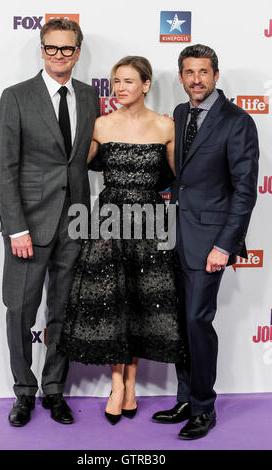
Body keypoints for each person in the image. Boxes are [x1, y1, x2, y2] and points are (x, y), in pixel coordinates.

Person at [57, 56, 187, 425]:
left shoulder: (166, 126)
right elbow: (70, 166)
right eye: (116, 82)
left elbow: (180, 178)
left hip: (150, 219)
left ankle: (132, 383)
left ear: (146, 85)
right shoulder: (100, 124)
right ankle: (118, 384)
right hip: (110, 219)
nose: (120, 88)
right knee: (113, 301)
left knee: (142, 301)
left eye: (129, 81)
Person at [0, 18, 100, 427]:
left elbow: (86, 158)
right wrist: (16, 228)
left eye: (67, 49)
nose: (60, 55)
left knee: (63, 311)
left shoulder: (90, 97)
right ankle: (23, 392)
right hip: (29, 228)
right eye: (52, 48)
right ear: (42, 50)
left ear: (77, 51)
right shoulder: (16, 97)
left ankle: (54, 389)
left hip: (74, 223)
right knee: (20, 311)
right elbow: (4, 167)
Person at [152, 44, 259, 439]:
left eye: (203, 72)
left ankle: (203, 407)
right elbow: (177, 175)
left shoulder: (237, 121)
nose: (196, 79)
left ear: (215, 75)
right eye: (189, 72)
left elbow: (245, 191)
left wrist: (224, 245)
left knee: (197, 322)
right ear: (180, 77)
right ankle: (184, 398)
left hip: (209, 241)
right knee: (180, 324)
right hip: (174, 236)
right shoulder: (180, 114)